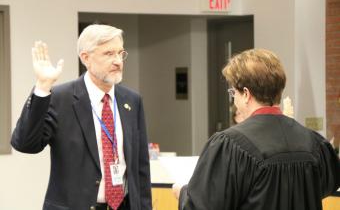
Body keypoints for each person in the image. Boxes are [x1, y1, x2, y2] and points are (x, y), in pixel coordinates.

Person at [173, 48, 340, 210]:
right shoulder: (314, 143)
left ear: (246, 94)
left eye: (234, 93)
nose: (234, 101)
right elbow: (323, 188)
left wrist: (183, 192)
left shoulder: (230, 145)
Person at [11, 24, 152, 210]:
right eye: (109, 54)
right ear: (86, 58)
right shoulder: (61, 98)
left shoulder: (131, 101)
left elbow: (141, 168)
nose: (118, 61)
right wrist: (42, 88)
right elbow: (26, 144)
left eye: (121, 53)